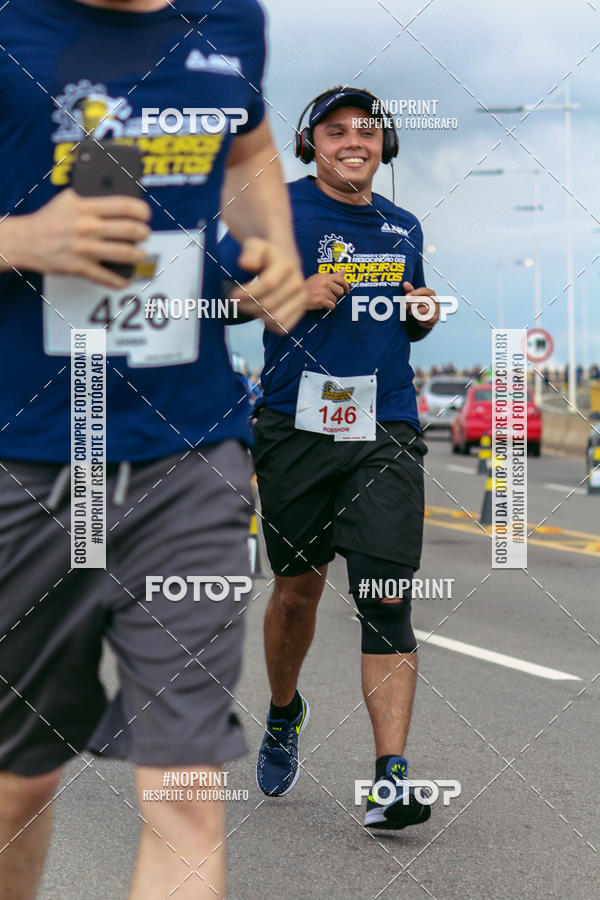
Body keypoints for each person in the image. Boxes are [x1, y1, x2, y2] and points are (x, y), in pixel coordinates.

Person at [0, 1, 307, 897]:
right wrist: (21, 238)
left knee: (186, 791)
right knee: (20, 779)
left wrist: (271, 241)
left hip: (191, 450)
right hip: (26, 455)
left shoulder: (232, 22)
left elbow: (246, 151)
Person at [220, 86, 440, 830]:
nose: (356, 140)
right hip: (295, 427)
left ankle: (392, 780)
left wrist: (422, 314)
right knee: (296, 595)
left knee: (385, 596)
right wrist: (289, 291)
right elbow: (215, 298)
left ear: (385, 148)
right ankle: (285, 712)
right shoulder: (274, 210)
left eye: (370, 131)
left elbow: (404, 321)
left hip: (385, 426)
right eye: (337, 130)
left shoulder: (402, 225)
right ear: (312, 143)